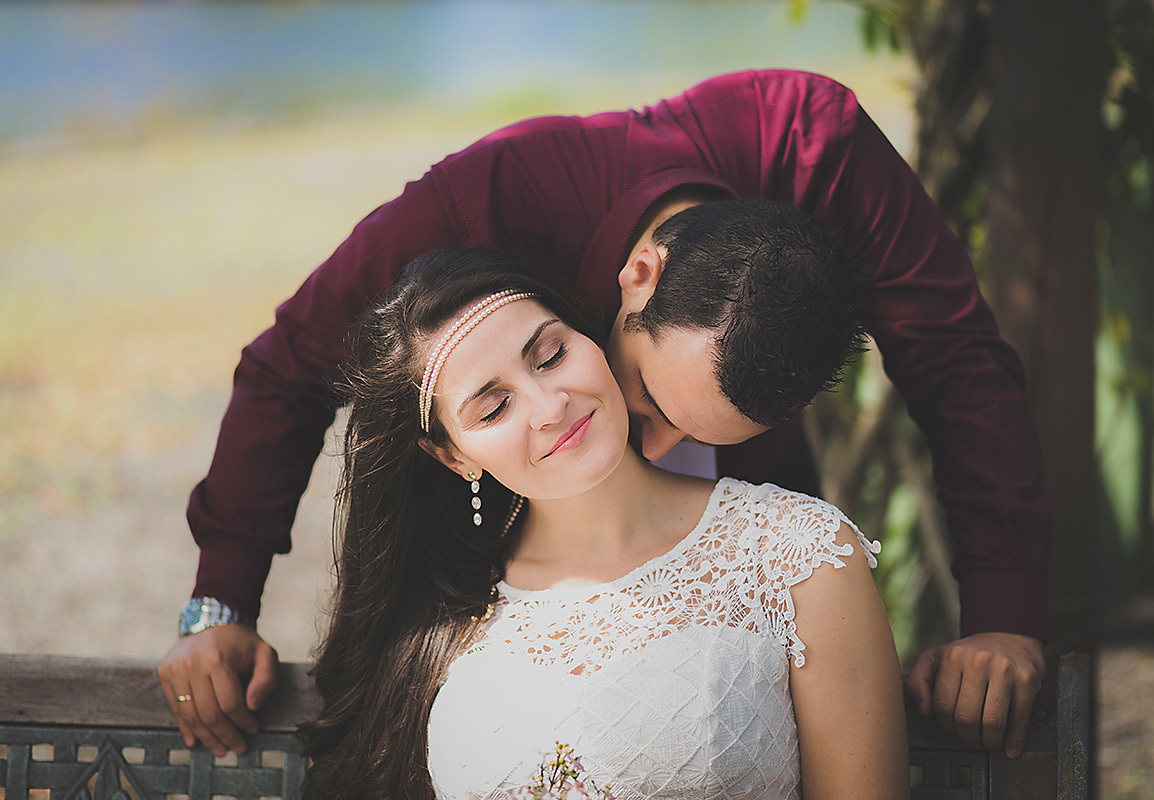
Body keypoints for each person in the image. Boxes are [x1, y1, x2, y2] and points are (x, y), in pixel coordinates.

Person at [159, 69, 1050, 760]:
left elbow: (956, 362)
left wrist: (1003, 610)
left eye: (699, 432)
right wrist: (221, 601)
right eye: (651, 398)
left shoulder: (831, 158)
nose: (654, 444)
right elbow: (289, 368)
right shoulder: (484, 200)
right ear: (639, 275)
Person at [298, 248, 908, 799]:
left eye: (552, 354)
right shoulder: (441, 612)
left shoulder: (797, 552)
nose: (550, 406)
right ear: (453, 455)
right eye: (493, 406)